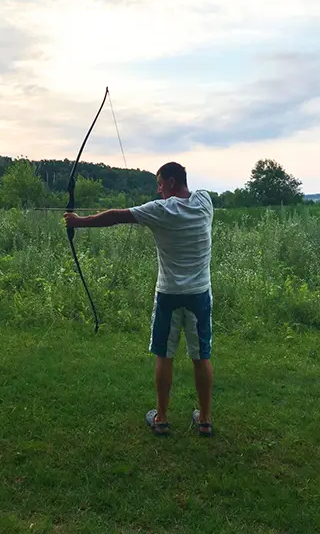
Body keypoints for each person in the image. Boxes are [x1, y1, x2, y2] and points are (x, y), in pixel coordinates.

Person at [64, 162, 214, 437]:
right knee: (201, 356)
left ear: (169, 182)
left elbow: (115, 216)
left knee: (164, 355)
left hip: (169, 294)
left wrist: (78, 222)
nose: (158, 190)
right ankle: (204, 420)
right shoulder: (205, 201)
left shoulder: (160, 210)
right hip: (199, 294)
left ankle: (162, 419)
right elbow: (120, 215)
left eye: (159, 184)